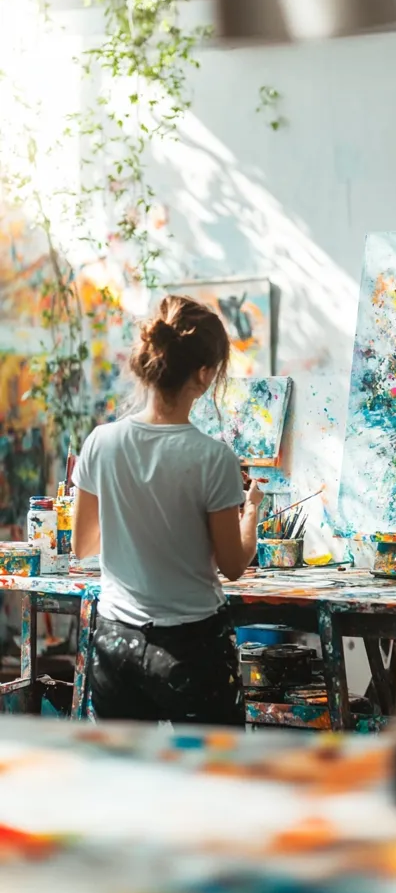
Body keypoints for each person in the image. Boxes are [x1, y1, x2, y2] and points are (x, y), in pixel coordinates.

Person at [71, 295, 263, 725]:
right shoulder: (214, 458)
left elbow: (83, 543)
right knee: (209, 781)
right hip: (192, 650)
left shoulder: (100, 442)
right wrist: (250, 513)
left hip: (116, 643)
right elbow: (233, 565)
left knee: (125, 782)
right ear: (204, 373)